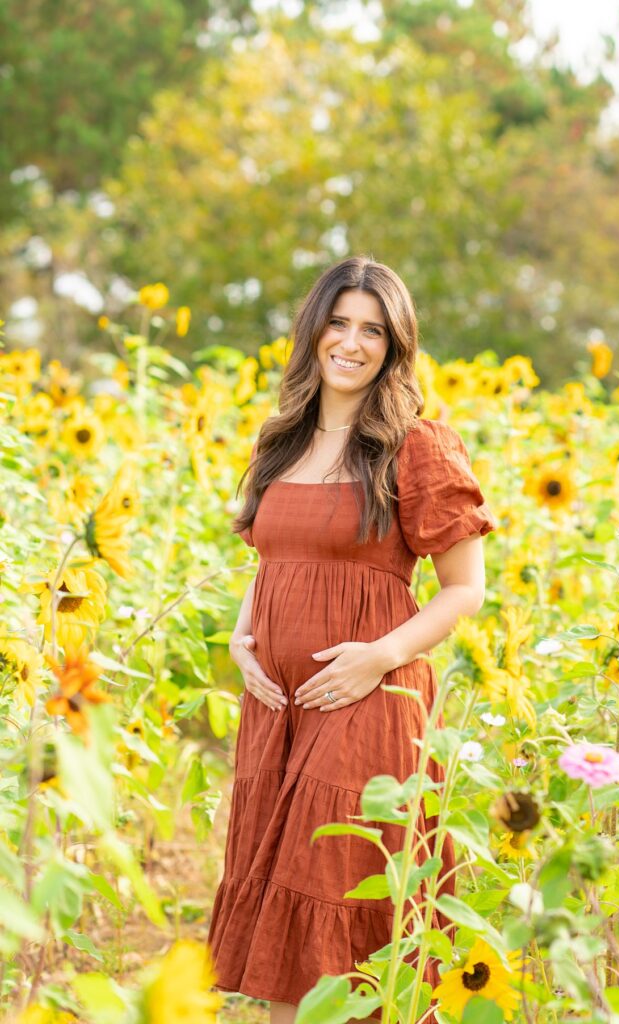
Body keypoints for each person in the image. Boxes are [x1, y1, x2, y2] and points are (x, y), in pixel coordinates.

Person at [207, 255, 497, 1024]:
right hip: (278, 710)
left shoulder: (416, 444)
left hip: (366, 703)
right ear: (313, 332)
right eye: (338, 323)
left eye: (372, 330)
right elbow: (275, 557)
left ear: (394, 347)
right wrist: (244, 636)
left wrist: (379, 657)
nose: (351, 342)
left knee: (339, 913)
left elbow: (464, 589)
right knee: (286, 935)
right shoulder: (283, 439)